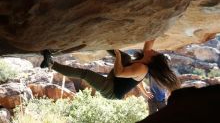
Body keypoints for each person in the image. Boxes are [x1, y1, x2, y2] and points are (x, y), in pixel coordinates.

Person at [40, 40, 180, 100]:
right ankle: (100, 41)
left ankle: (50, 64)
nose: (154, 50)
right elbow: (150, 41)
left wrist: (117, 55)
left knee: (85, 74)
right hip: (117, 80)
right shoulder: (145, 58)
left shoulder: (142, 67)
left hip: (111, 91)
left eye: (155, 53)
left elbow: (119, 72)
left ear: (152, 59)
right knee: (125, 57)